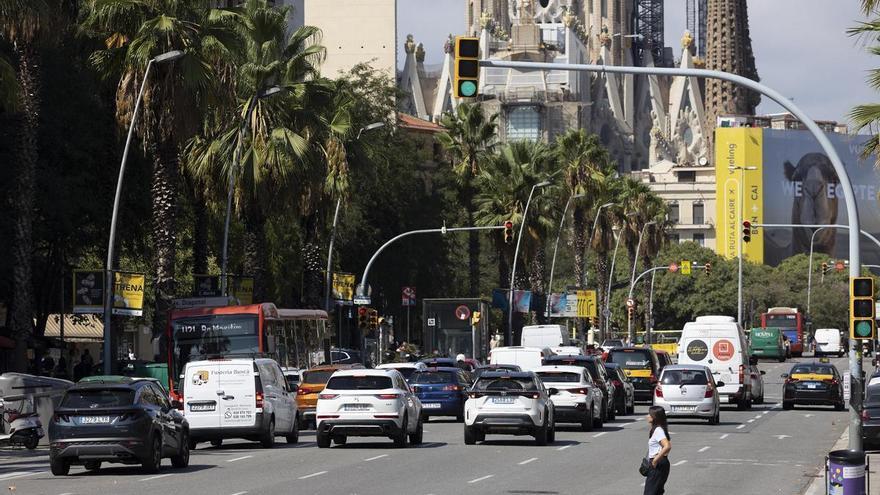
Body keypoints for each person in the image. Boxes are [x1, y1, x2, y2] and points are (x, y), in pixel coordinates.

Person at [644, 406, 671, 495]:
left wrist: (656, 460)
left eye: (650, 414)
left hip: (658, 464)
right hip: (661, 463)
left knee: (650, 492)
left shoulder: (658, 430)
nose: (647, 416)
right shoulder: (658, 429)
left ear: (655, 417)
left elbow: (667, 446)